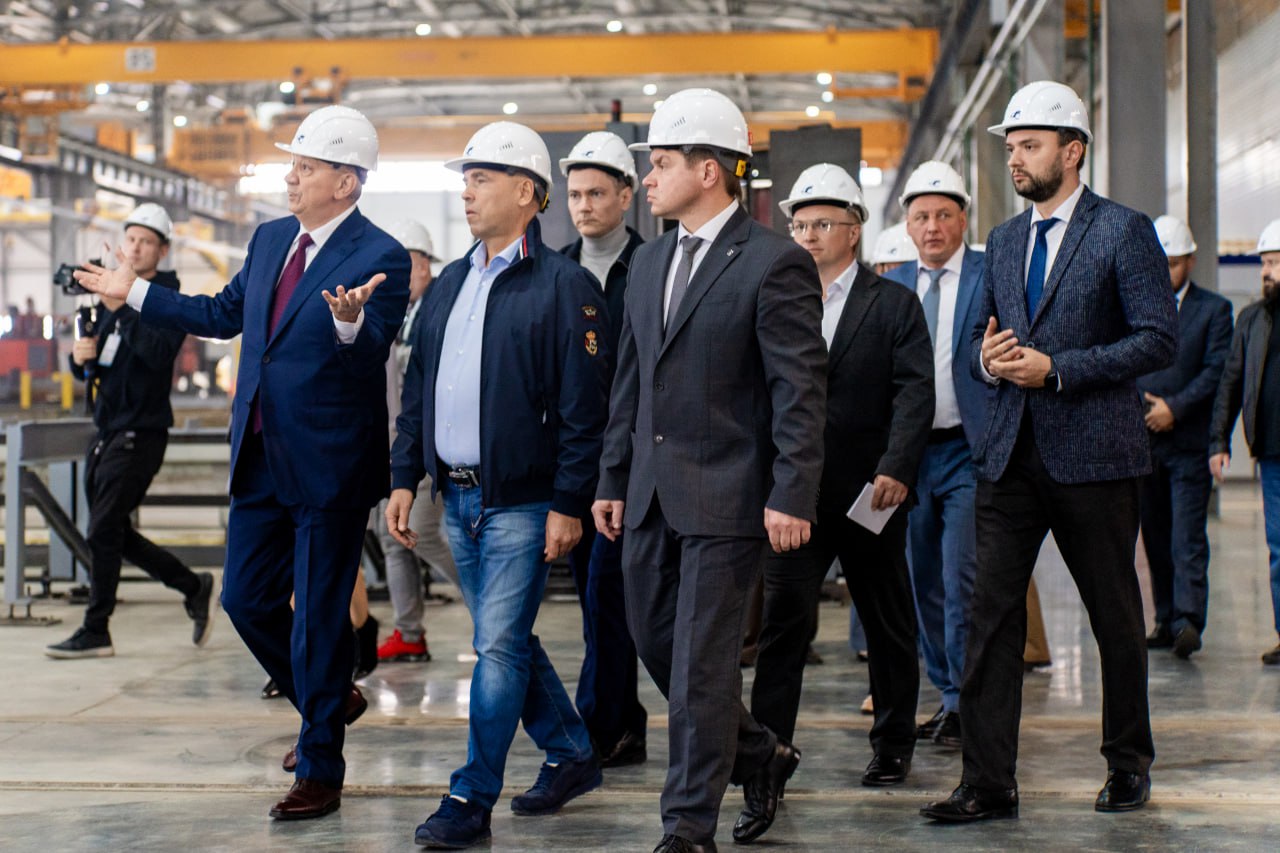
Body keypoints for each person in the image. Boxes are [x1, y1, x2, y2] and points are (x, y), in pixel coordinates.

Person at [75, 104, 411, 822]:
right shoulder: (269, 241)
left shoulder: (379, 255)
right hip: (259, 457)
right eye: (293, 165)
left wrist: (349, 320)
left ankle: (320, 766)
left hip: (328, 467)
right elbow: (220, 313)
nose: (291, 178)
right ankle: (330, 698)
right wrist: (134, 292)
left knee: (316, 620)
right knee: (244, 600)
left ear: (346, 182)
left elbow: (370, 348)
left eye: (306, 167)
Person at [921, 80, 1176, 823]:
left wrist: (1058, 369)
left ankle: (1127, 764)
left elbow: (1157, 338)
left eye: (1029, 145)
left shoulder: (1123, 231)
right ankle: (987, 781)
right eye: (1010, 147)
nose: (1015, 158)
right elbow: (980, 341)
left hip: (1095, 458)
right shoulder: (1003, 241)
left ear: (1073, 151)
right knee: (989, 619)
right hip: (1009, 457)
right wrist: (987, 360)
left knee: (1114, 618)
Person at [592, 88, 827, 853]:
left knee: (700, 667)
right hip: (649, 492)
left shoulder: (774, 262)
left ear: (709, 170)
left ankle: (688, 826)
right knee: (655, 640)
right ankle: (759, 752)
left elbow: (799, 389)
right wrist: (612, 476)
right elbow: (631, 380)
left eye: (661, 163)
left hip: (729, 492)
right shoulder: (650, 260)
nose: (648, 178)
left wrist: (792, 490)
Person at [387, 121, 609, 850]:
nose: (467, 191)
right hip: (455, 497)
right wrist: (404, 476)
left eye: (481, 179)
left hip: (522, 501)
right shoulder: (450, 284)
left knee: (498, 648)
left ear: (526, 192)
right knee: (503, 639)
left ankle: (471, 793)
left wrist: (569, 502)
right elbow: (419, 390)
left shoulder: (565, 287)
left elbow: (584, 411)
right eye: (466, 179)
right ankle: (572, 751)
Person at [746, 162, 932, 824]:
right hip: (793, 496)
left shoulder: (893, 305)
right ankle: (767, 755)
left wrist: (897, 466)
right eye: (799, 225)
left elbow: (914, 392)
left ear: (854, 231)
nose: (808, 235)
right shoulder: (773, 299)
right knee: (783, 626)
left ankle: (893, 743)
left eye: (822, 223)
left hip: (868, 493)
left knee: (886, 619)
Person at [45, 203, 215, 659]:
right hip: (106, 430)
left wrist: (122, 305)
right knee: (110, 529)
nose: (136, 248)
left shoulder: (167, 299)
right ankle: (192, 585)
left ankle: (96, 628)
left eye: (146, 242)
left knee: (104, 528)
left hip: (142, 432)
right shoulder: (110, 295)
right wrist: (78, 359)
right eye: (131, 239)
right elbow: (96, 366)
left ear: (162, 251)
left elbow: (157, 355)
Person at [883, 160, 990, 750]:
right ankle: (946, 689)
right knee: (920, 578)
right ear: (907, 224)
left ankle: (964, 703)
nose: (932, 227)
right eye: (921, 216)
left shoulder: (988, 275)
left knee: (960, 575)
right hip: (909, 459)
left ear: (963, 219)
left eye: (944, 215)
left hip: (967, 453)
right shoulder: (891, 286)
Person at [558, 131, 650, 767]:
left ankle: (600, 726)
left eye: (596, 193)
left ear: (626, 195)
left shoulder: (653, 266)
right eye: (574, 195)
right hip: (573, 464)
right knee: (597, 606)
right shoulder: (556, 271)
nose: (584, 205)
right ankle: (624, 725)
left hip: (637, 463)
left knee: (611, 598)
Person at [1138, 215, 1232, 660]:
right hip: (1145, 442)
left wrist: (1174, 409)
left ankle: (1188, 621)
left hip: (1188, 443)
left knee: (1186, 536)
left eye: (1173, 263)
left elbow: (1216, 371)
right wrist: (1146, 408)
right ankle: (1164, 618)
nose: (1166, 272)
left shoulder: (1214, 311)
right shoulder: (1135, 310)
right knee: (1155, 536)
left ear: (1190, 261)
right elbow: (1123, 362)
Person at [375, 219, 458, 665]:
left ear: (423, 265)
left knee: (420, 532)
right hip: (397, 443)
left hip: (429, 444)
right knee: (392, 537)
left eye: (401, 265)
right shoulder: (402, 314)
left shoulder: (440, 308)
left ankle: (493, 605)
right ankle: (409, 633)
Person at [1209, 218, 1280, 666]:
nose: (1266, 272)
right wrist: (1219, 440)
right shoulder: (1252, 320)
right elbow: (1230, 383)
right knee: (1279, 549)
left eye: (1275, 262)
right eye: (1265, 263)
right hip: (1271, 456)